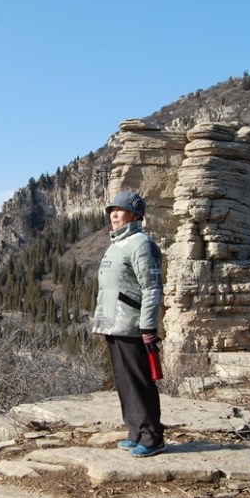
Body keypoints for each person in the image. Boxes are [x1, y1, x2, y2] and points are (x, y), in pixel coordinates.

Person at [92, 190, 166, 457]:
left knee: (139, 381)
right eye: (111, 210)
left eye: (119, 210)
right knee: (125, 381)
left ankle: (152, 437)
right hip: (113, 322)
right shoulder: (118, 243)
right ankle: (135, 431)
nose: (114, 215)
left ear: (134, 214)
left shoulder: (141, 244)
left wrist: (148, 327)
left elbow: (152, 287)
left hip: (132, 323)